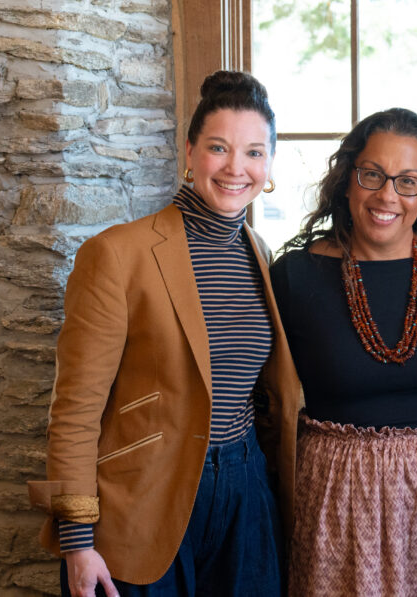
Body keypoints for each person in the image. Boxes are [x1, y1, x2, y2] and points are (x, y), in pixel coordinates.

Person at [28, 71, 301, 597]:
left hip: (246, 492)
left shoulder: (258, 254)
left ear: (268, 165)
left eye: (253, 153)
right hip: (144, 497)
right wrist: (78, 541)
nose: (235, 168)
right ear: (191, 149)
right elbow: (75, 410)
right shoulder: (117, 254)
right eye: (219, 148)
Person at [270, 107, 417, 596]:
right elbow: (264, 398)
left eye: (407, 182)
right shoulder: (295, 276)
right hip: (338, 495)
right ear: (347, 181)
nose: (387, 195)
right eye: (372, 175)